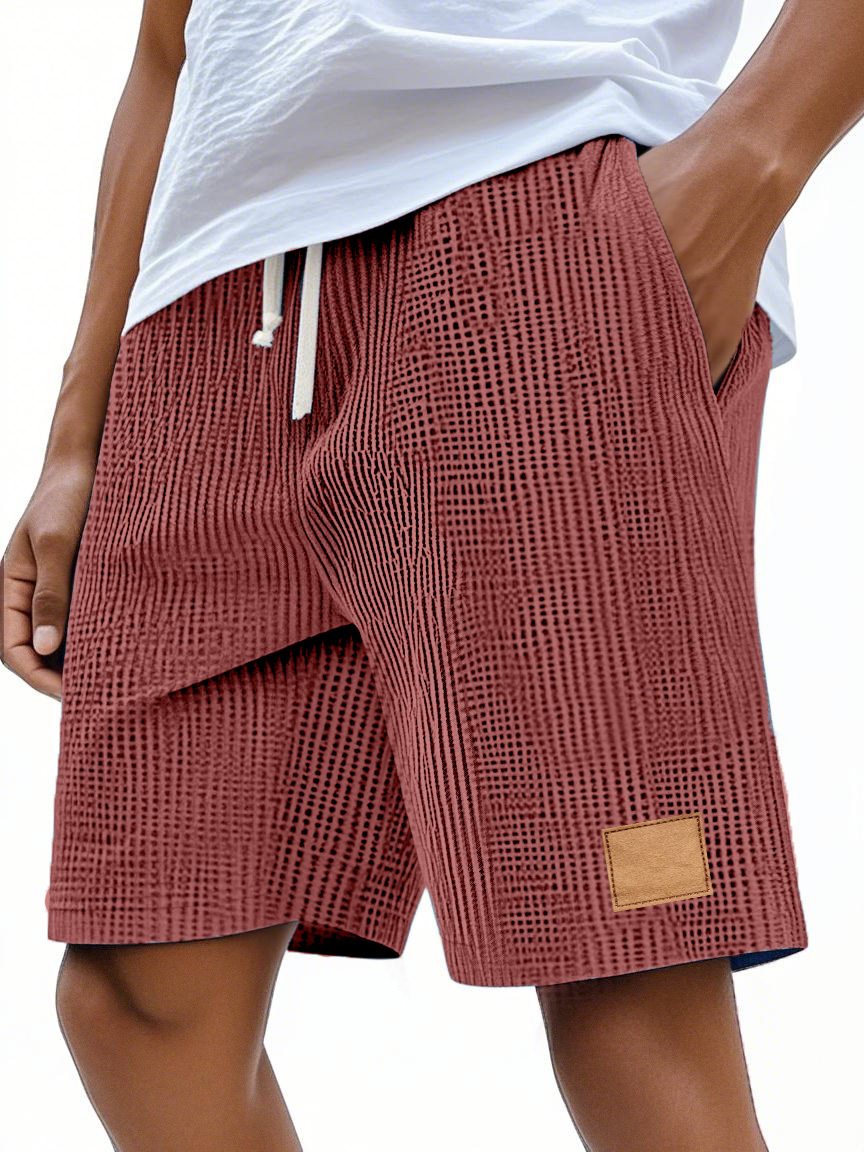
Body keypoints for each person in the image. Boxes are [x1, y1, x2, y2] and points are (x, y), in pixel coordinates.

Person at [1, 1, 858, 1148]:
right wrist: (78, 428)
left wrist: (755, 157)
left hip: (537, 238)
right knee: (136, 995)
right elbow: (172, 38)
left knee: (631, 956)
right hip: (210, 312)